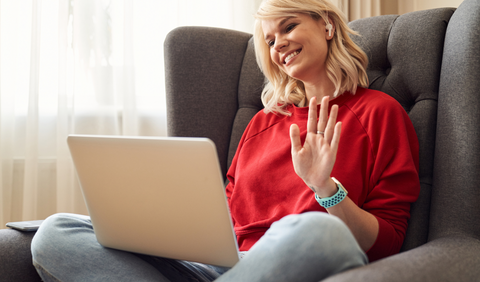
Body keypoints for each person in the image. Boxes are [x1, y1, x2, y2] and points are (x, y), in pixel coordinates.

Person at [31, 0, 420, 281]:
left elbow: (386, 242)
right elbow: (229, 217)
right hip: (221, 265)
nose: (278, 45)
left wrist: (325, 189)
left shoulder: (380, 113)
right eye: (269, 40)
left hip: (299, 257)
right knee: (57, 232)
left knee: (319, 231)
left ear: (327, 25)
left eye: (288, 27)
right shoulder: (264, 123)